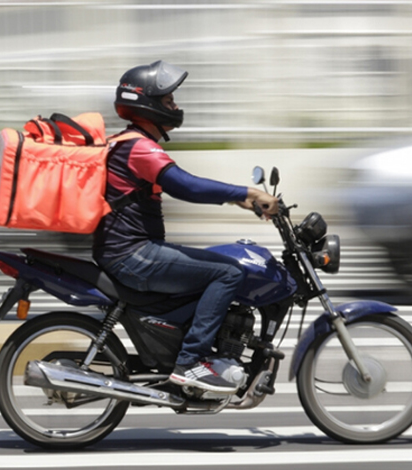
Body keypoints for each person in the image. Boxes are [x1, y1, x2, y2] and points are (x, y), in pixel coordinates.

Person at [93, 60, 279, 393]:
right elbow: (187, 186)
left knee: (210, 270)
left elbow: (187, 186)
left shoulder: (129, 143)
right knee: (228, 273)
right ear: (147, 104)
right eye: (169, 101)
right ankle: (191, 363)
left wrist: (237, 200)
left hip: (128, 250)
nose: (176, 107)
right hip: (132, 254)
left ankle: (185, 347)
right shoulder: (139, 147)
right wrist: (247, 192)